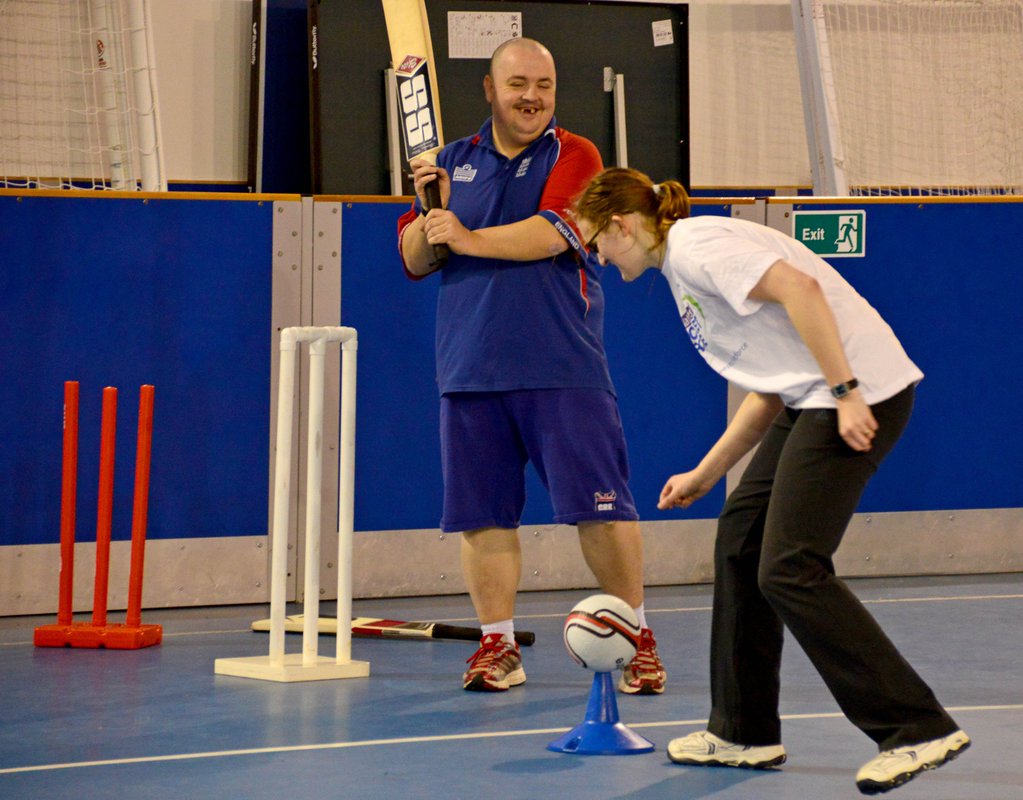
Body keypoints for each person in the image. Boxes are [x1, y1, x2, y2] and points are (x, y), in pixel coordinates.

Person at [572, 167, 970, 794]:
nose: (596, 255)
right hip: (815, 395)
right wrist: (708, 472)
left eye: (597, 240)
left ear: (623, 225)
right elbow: (773, 378)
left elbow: (803, 291)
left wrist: (846, 391)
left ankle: (915, 727)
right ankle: (743, 731)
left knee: (789, 566)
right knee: (741, 539)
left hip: (856, 393)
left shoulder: (700, 248)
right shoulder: (682, 264)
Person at [396, 40, 665, 695]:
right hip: (468, 369)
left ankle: (635, 640)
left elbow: (554, 232)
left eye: (543, 84)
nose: (532, 96)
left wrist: (463, 236)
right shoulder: (451, 161)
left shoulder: (577, 156)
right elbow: (412, 258)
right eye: (518, 83)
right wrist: (427, 207)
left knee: (602, 511)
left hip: (562, 365)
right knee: (484, 519)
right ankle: (498, 648)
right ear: (489, 89)